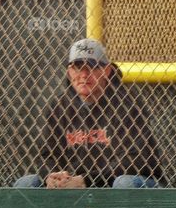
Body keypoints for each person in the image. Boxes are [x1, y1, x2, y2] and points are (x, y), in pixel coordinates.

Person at [14, 39, 162, 188]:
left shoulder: (127, 103)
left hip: (114, 184)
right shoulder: (60, 106)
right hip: (75, 183)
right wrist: (53, 176)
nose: (84, 75)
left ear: (106, 70)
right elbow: (48, 155)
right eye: (77, 68)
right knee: (26, 183)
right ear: (69, 72)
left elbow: (137, 160)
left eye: (91, 67)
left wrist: (87, 180)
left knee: (125, 183)